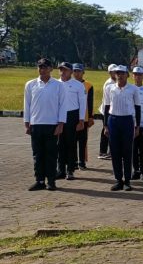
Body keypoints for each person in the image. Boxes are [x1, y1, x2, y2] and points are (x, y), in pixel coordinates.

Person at [24, 58, 67, 191]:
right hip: (36, 124)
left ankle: (51, 181)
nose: (42, 70)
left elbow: (63, 105)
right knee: (38, 154)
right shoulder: (31, 84)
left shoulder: (58, 85)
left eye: (45, 67)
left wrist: (60, 124)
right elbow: (27, 104)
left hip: (52, 124)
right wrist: (27, 122)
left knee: (51, 154)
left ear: (50, 69)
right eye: (40, 67)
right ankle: (40, 180)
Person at [102, 65, 141, 191]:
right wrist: (105, 125)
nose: (119, 75)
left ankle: (128, 180)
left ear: (127, 75)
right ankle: (118, 179)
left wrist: (137, 126)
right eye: (117, 73)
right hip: (113, 120)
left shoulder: (133, 89)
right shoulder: (109, 88)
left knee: (127, 151)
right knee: (115, 152)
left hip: (127, 120)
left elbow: (137, 108)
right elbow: (106, 107)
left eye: (122, 73)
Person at [56, 62, 86, 181]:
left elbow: (82, 103)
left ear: (71, 72)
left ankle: (70, 170)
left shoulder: (78, 85)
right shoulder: (55, 84)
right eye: (61, 70)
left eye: (65, 70)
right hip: (58, 116)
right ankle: (61, 170)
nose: (63, 72)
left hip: (72, 116)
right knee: (59, 144)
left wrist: (81, 120)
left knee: (71, 143)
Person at [72, 64, 94, 171]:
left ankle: (82, 161)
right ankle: (74, 161)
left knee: (82, 141)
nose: (77, 73)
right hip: (71, 118)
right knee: (72, 141)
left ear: (83, 72)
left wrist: (90, 117)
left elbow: (90, 102)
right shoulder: (68, 84)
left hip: (84, 118)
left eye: (79, 71)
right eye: (75, 71)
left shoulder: (88, 85)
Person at [97, 64, 118, 160]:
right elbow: (108, 101)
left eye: (116, 71)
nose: (115, 73)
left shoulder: (117, 81)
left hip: (113, 110)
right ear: (109, 73)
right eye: (113, 71)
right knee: (107, 130)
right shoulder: (109, 84)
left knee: (111, 131)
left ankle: (109, 151)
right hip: (106, 110)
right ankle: (104, 151)